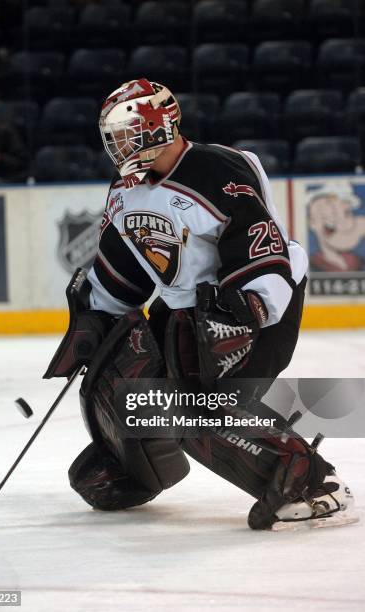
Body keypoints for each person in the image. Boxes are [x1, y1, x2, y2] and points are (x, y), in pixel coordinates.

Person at [45, 79, 356, 530]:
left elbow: (262, 255)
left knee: (203, 408)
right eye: (113, 136)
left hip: (253, 305)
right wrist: (95, 316)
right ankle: (138, 465)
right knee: (118, 376)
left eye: (126, 133)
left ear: (158, 126)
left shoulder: (219, 170)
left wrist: (245, 313)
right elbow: (121, 271)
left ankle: (312, 483)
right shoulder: (124, 191)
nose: (117, 146)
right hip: (183, 307)